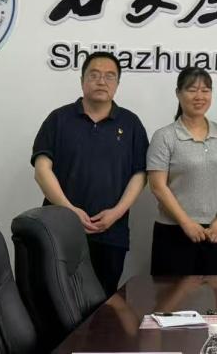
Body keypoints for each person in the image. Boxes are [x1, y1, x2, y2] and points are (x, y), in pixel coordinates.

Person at [31, 51, 149, 297]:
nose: (101, 81)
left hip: (111, 232)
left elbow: (140, 175)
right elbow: (42, 170)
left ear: (117, 83)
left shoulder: (131, 124)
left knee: (103, 302)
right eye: (94, 75)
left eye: (109, 76)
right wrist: (69, 210)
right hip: (60, 230)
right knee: (57, 300)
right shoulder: (59, 119)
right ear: (82, 80)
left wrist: (117, 212)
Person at [147, 67, 217, 276]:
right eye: (192, 90)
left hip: (213, 232)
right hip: (173, 231)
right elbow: (157, 186)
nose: (199, 96)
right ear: (178, 94)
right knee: (169, 295)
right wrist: (186, 223)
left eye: (205, 90)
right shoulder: (165, 136)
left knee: (210, 295)